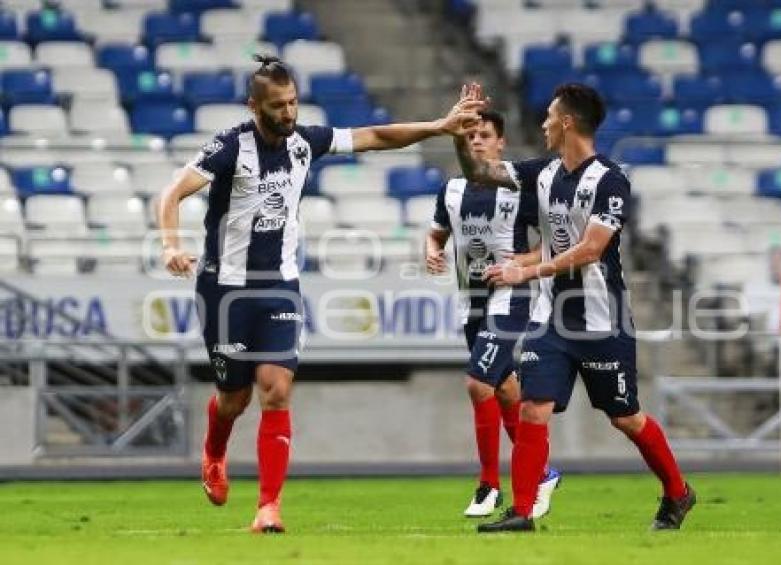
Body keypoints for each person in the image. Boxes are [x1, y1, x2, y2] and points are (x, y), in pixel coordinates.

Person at [158, 55, 483, 534]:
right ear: (255, 106)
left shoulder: (305, 141)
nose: (288, 114)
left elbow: (375, 137)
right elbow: (171, 194)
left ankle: (268, 507)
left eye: (292, 103)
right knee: (234, 398)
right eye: (278, 106)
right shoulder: (230, 147)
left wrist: (438, 126)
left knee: (277, 390)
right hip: (224, 289)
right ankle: (214, 452)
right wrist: (170, 244)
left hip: (279, 286)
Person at [452, 82, 695, 532]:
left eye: (548, 115)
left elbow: (591, 250)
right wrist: (456, 133)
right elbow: (481, 172)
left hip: (602, 323)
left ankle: (678, 492)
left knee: (625, 417)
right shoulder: (541, 173)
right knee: (532, 408)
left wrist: (526, 271)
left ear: (566, 122)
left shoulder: (610, 180)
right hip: (552, 321)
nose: (542, 123)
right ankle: (522, 511)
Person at [425, 110, 560, 519]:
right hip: (472, 302)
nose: (477, 141)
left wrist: (523, 262)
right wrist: (432, 251)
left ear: (501, 142)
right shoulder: (450, 190)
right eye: (470, 135)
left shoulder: (517, 189)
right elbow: (436, 234)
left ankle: (489, 486)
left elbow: (556, 241)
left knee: (477, 383)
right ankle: (542, 473)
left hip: (511, 298)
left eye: (485, 135)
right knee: (503, 390)